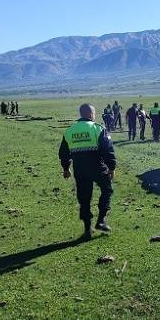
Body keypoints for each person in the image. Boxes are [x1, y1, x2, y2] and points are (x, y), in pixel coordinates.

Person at [59, 103, 116, 240]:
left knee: (84, 198)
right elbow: (107, 150)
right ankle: (101, 220)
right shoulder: (97, 129)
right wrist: (112, 167)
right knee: (107, 190)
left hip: (79, 169)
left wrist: (66, 169)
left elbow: (63, 153)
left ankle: (87, 229)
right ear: (91, 114)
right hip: (97, 167)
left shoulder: (70, 131)